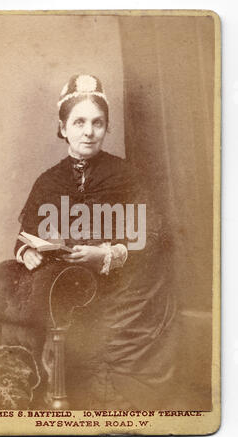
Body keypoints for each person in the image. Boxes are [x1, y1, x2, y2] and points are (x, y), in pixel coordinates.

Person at [11, 74, 178, 410]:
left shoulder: (126, 175)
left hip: (122, 290)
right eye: (79, 122)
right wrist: (27, 252)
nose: (89, 131)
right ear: (63, 127)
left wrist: (107, 253)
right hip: (70, 292)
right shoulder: (48, 181)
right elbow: (24, 235)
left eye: (98, 123)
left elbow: (154, 238)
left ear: (106, 127)